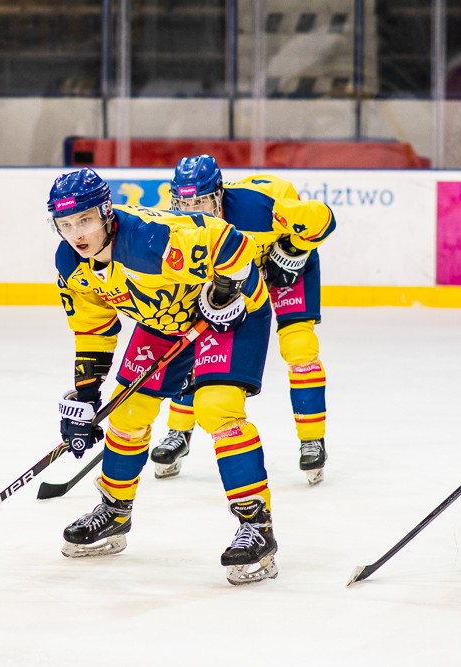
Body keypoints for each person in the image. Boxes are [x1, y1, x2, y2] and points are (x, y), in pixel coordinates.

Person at [49, 167, 278, 585]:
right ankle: (115, 512)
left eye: (84, 220)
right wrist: (85, 393)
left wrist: (223, 292)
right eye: (65, 224)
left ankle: (256, 526)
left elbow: (232, 244)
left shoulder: (150, 241)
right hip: (163, 321)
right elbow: (93, 327)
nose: (76, 233)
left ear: (105, 212)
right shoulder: (70, 262)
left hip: (230, 314)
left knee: (216, 409)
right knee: (126, 412)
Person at [150, 155, 336, 485]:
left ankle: (312, 440)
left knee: (299, 347)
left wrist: (292, 250)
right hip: (235, 277)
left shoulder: (257, 206)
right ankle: (178, 433)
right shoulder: (179, 227)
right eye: (183, 203)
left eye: (200, 201)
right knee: (194, 343)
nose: (192, 210)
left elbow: (322, 220)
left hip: (286, 268)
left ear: (219, 195)